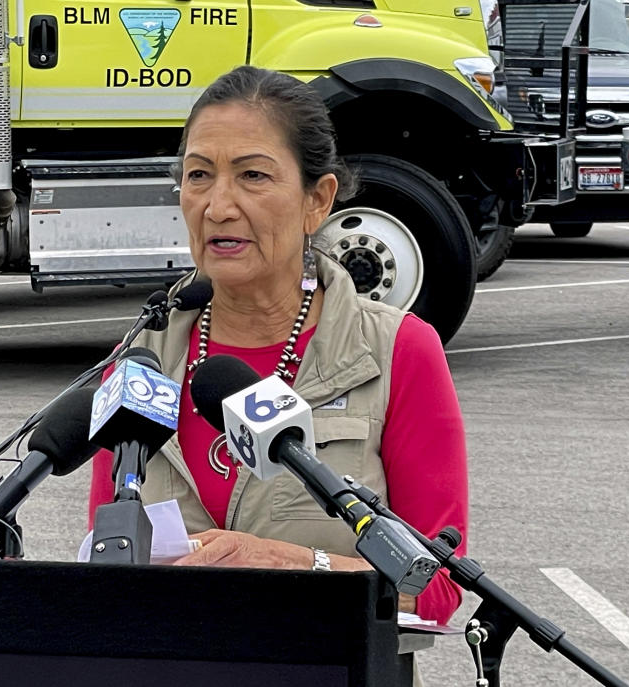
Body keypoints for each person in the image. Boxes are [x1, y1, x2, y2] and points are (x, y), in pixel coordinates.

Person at [88, 65, 468, 626]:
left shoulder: (398, 350)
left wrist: (287, 565)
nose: (218, 206)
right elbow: (102, 566)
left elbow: (437, 584)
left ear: (318, 199)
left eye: (252, 176)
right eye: (198, 176)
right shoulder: (139, 360)